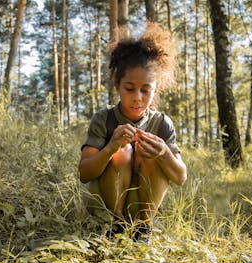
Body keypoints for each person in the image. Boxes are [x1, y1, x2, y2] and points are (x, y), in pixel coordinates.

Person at [78, 22, 187, 236]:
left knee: (153, 153)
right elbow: (84, 173)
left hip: (140, 208)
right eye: (129, 89)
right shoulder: (104, 119)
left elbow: (181, 177)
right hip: (104, 207)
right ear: (118, 85)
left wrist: (164, 152)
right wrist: (110, 148)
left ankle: (143, 229)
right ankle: (115, 227)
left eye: (146, 91)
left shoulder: (162, 123)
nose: (137, 97)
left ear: (155, 91)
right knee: (122, 152)